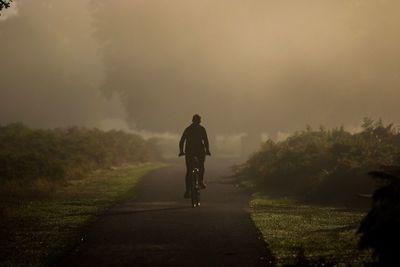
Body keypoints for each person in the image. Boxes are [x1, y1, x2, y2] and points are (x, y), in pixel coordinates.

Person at [179, 114, 211, 198]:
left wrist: (181, 151)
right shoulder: (202, 129)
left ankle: (187, 190)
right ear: (200, 121)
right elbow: (206, 141)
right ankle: (200, 181)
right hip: (200, 150)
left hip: (189, 151)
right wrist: (207, 150)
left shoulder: (188, 129)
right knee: (201, 165)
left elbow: (182, 141)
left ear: (192, 120)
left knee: (189, 171)